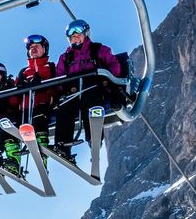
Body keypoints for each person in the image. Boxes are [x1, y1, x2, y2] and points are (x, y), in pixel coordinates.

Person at [54, 19, 126, 163]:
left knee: (90, 101)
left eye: (78, 34)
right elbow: (59, 77)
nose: (75, 37)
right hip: (74, 90)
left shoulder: (98, 50)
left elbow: (114, 66)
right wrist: (61, 90)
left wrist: (108, 80)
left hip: (94, 87)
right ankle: (63, 145)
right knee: (64, 108)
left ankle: (93, 138)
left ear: (86, 34)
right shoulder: (66, 57)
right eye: (72, 36)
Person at [11, 33, 60, 157]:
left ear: (44, 49)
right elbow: (13, 99)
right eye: (31, 47)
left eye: (37, 46)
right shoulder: (24, 72)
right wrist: (18, 88)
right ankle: (12, 154)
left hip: (44, 105)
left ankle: (42, 145)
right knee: (11, 120)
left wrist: (43, 85)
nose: (33, 49)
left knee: (39, 114)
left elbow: (59, 87)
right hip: (25, 109)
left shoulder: (51, 67)